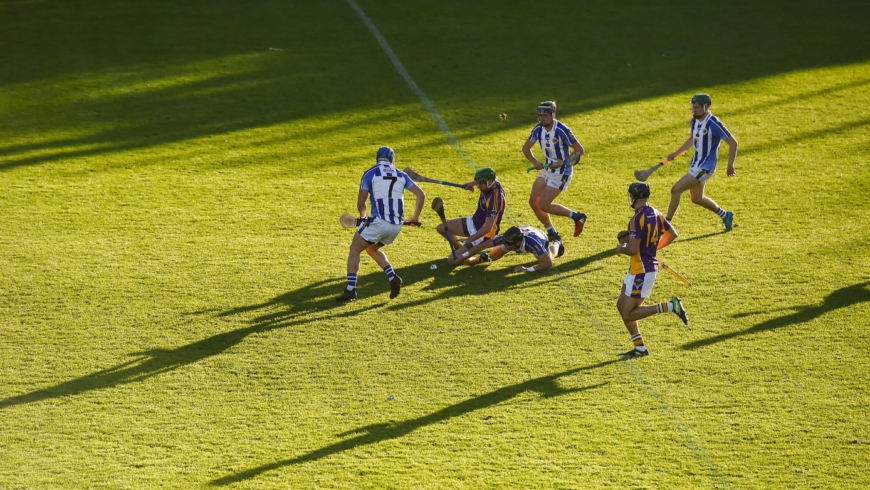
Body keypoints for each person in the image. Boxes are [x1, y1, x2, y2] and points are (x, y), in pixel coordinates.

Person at [336, 147, 425, 302]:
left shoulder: (370, 173)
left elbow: (361, 203)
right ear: (392, 159)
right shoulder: (401, 174)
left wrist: (363, 218)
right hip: (396, 226)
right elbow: (421, 194)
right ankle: (393, 278)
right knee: (371, 248)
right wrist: (415, 217)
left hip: (379, 223)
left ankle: (351, 290)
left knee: (355, 249)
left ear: (377, 158)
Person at [615, 182, 689, 358]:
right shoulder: (656, 213)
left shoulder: (635, 219)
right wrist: (654, 249)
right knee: (621, 306)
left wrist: (621, 249)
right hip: (637, 269)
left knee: (628, 313)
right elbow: (672, 234)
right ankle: (639, 348)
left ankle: (670, 306)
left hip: (642, 270)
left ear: (633, 196)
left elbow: (632, 249)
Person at [665, 93, 738, 231]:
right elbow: (693, 138)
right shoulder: (695, 121)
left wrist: (730, 165)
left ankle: (666, 225)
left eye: (697, 107)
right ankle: (726, 215)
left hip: (705, 167)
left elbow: (733, 143)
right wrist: (676, 153)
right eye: (693, 107)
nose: (694, 110)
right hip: (696, 165)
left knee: (675, 190)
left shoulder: (714, 123)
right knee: (697, 198)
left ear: (706, 107)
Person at [522, 100, 587, 241]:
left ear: (553, 115)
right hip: (547, 169)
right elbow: (526, 148)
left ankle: (578, 217)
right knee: (534, 201)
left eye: (546, 115)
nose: (542, 118)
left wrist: (560, 163)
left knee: (544, 205)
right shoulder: (538, 129)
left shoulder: (562, 130)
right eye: (540, 115)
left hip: (562, 172)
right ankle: (552, 232)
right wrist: (535, 162)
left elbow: (579, 150)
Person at [435, 167, 506, 252]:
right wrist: (473, 183)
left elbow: (488, 227)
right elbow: (493, 177)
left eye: (481, 183)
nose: (478, 186)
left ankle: (481, 259)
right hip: (474, 221)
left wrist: (471, 239)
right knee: (441, 228)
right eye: (478, 183)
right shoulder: (491, 182)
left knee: (453, 261)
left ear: (490, 182)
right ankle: (459, 249)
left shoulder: (495, 199)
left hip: (484, 234)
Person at [447, 225, 564, 272]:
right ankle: (481, 260)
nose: (506, 245)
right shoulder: (506, 239)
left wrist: (527, 269)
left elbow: (547, 263)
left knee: (549, 256)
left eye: (510, 245)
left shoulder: (533, 244)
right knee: (501, 249)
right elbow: (482, 246)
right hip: (523, 232)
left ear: (518, 243)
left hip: (541, 238)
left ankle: (558, 242)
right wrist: (463, 257)